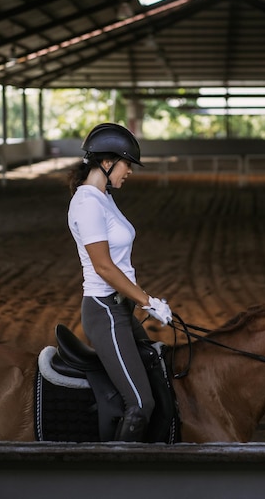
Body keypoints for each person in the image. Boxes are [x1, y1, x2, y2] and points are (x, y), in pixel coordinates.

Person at [67, 122, 173, 442]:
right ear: (108, 161)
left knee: (158, 371)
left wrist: (138, 301)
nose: (129, 172)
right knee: (140, 402)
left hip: (120, 308)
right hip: (104, 312)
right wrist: (148, 301)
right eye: (127, 164)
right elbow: (104, 267)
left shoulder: (104, 197)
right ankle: (116, 470)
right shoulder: (87, 203)